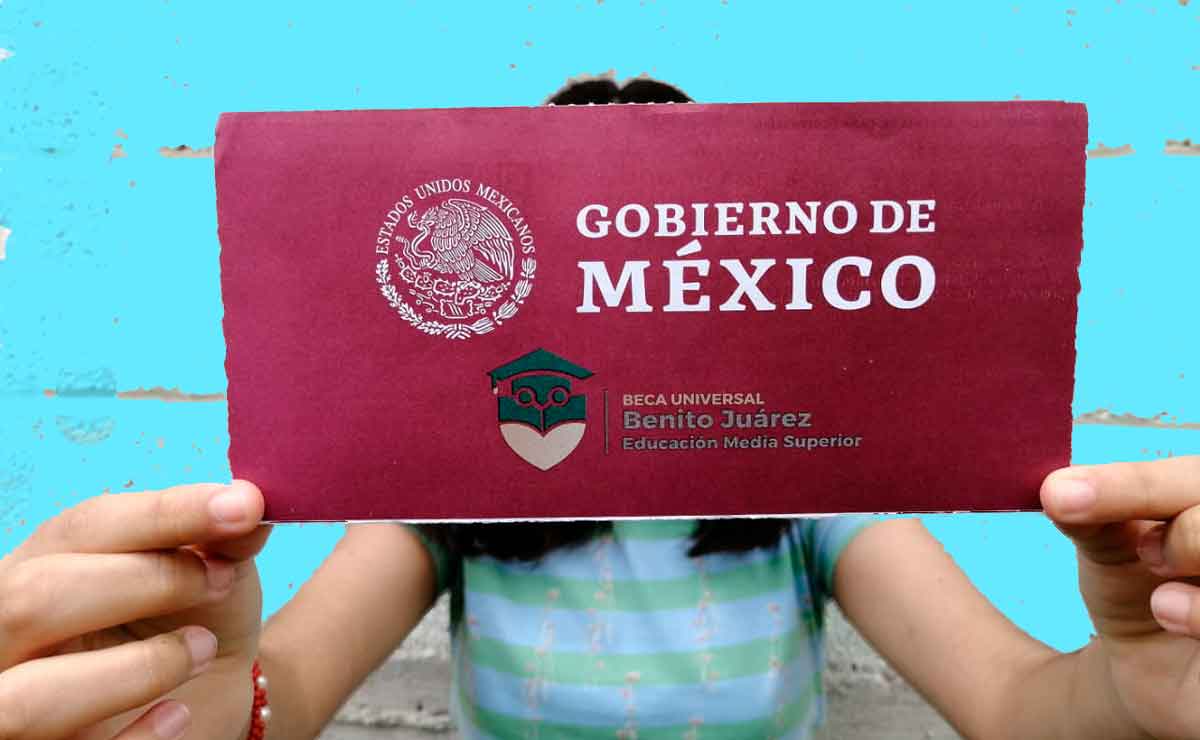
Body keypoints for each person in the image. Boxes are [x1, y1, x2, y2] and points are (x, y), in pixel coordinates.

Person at [2, 79, 1198, 740]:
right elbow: (293, 687)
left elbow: (1018, 704)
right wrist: (219, 699)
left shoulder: (816, 494)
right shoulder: (449, 497)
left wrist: (1130, 686)